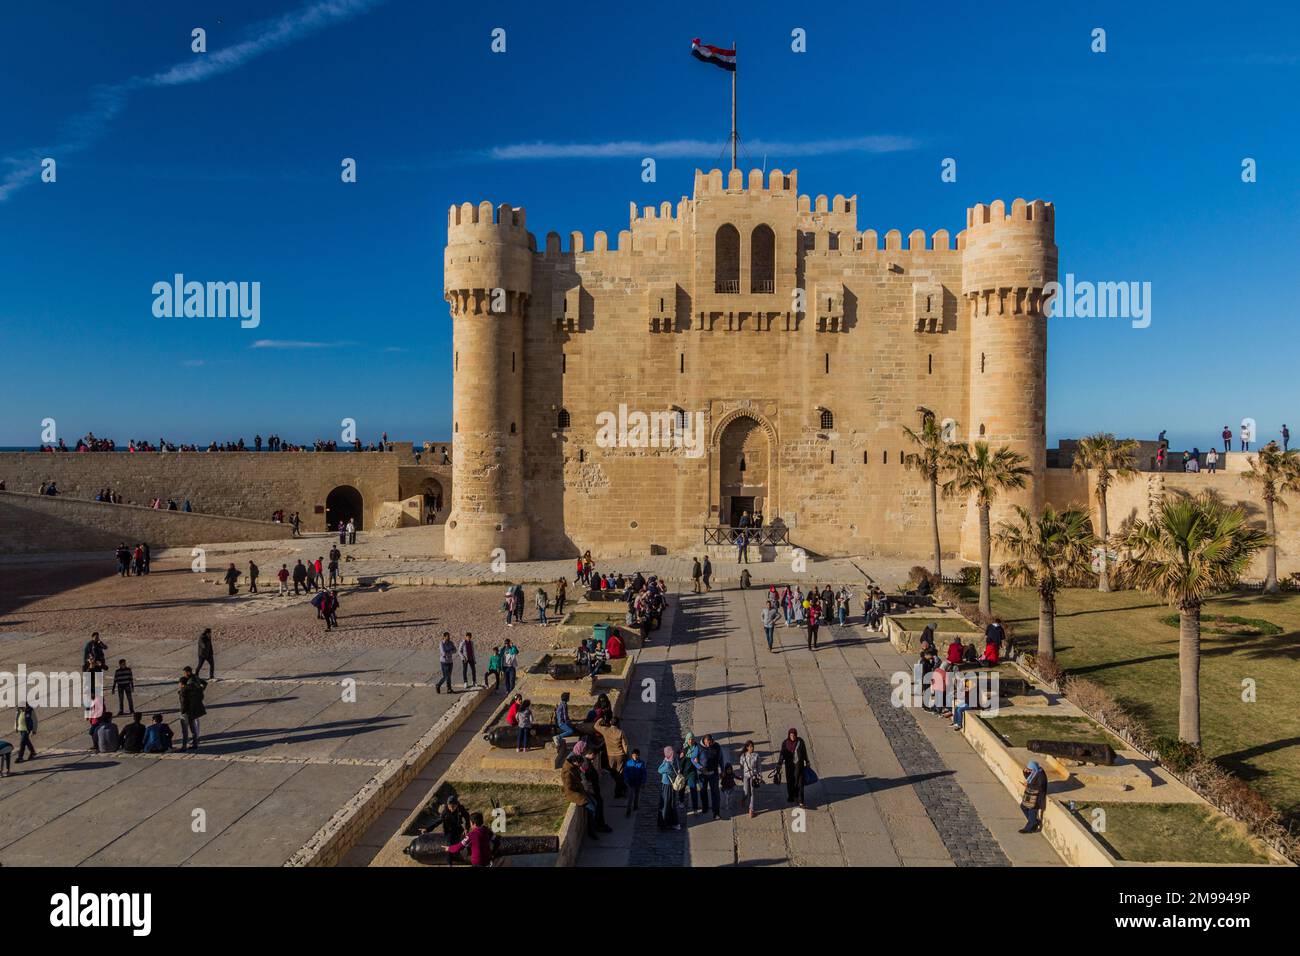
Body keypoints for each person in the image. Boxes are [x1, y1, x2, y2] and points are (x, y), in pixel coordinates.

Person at [562, 753, 600, 839]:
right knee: (592, 808)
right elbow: (569, 787)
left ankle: (594, 826)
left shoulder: (573, 767)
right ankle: (591, 831)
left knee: (595, 803)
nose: (580, 765)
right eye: (580, 764)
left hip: (581, 790)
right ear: (575, 762)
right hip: (575, 794)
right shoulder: (568, 772)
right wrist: (578, 786)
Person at [595, 716, 629, 798]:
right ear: (618, 723)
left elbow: (595, 726)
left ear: (610, 723)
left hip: (610, 755)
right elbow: (625, 745)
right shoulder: (620, 732)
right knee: (620, 773)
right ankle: (621, 789)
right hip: (620, 755)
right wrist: (626, 755)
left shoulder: (605, 730)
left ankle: (620, 789)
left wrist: (600, 719)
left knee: (613, 772)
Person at [776, 728, 810, 808]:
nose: (793, 737)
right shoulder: (785, 743)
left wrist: (807, 761)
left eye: (794, 735)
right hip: (789, 766)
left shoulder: (800, 742)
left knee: (800, 782)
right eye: (791, 735)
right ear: (789, 735)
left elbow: (804, 752)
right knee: (790, 781)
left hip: (799, 765)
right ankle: (791, 796)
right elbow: (782, 754)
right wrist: (779, 764)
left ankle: (801, 801)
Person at [178, 673, 207, 750]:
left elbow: (183, 703)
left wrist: (182, 712)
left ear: (181, 683)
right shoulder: (193, 689)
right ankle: (195, 744)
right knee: (193, 729)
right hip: (192, 711)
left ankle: (184, 746)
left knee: (185, 731)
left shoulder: (183, 691)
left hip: (186, 712)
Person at [1020, 760, 1049, 833]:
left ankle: (1028, 828)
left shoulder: (1041, 775)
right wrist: (1025, 771)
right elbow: (1028, 778)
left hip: (1037, 797)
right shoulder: (1035, 772)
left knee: (1032, 811)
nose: (1030, 771)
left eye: (1030, 769)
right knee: (1023, 807)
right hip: (1031, 794)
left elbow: (1040, 787)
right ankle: (1034, 822)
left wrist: (1028, 785)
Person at [739, 740, 762, 818]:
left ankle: (751, 809)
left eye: (753, 746)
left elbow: (759, 766)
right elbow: (741, 767)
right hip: (745, 776)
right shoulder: (743, 756)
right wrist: (741, 775)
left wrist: (759, 776)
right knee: (746, 791)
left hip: (754, 776)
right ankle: (743, 799)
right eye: (750, 747)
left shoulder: (756, 756)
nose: (752, 748)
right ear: (747, 747)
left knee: (752, 792)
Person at [623, 748, 646, 815]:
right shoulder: (628, 763)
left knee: (637, 795)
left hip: (638, 782)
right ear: (632, 755)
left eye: (637, 755)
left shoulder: (642, 763)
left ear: (639, 756)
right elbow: (625, 772)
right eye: (634, 755)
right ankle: (628, 810)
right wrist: (626, 780)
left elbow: (644, 773)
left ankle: (635, 806)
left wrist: (643, 782)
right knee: (630, 796)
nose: (635, 757)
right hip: (631, 782)